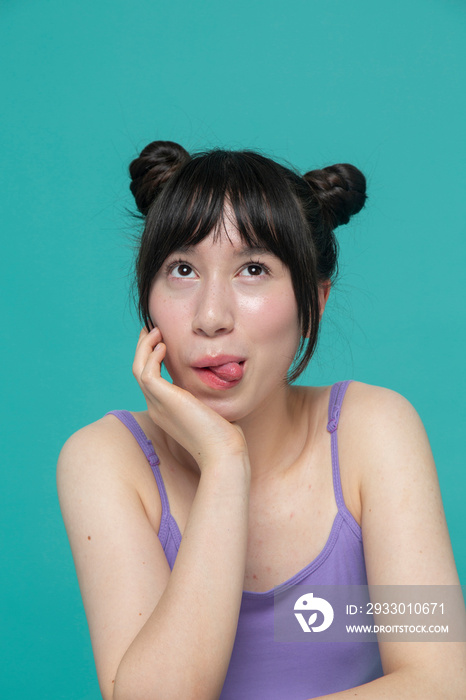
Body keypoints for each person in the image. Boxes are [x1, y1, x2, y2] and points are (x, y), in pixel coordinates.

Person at [57, 141, 465, 700]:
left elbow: (442, 680)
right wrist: (225, 465)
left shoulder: (372, 431)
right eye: (182, 269)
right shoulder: (107, 460)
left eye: (253, 269)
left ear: (313, 301)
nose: (210, 317)